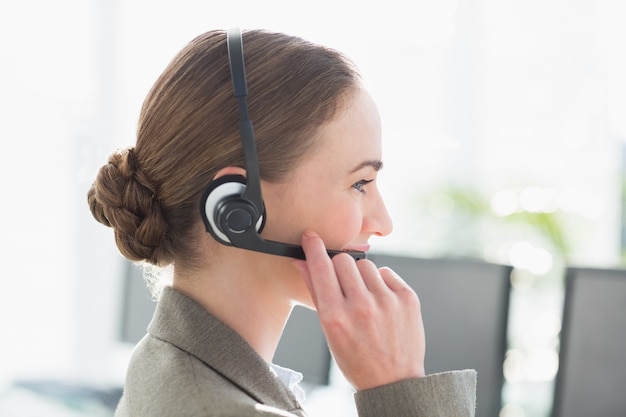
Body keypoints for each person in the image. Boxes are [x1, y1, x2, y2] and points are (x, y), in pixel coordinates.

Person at [87, 28, 476, 416]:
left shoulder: (161, 362)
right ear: (236, 207)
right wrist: (399, 390)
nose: (383, 222)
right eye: (359, 183)